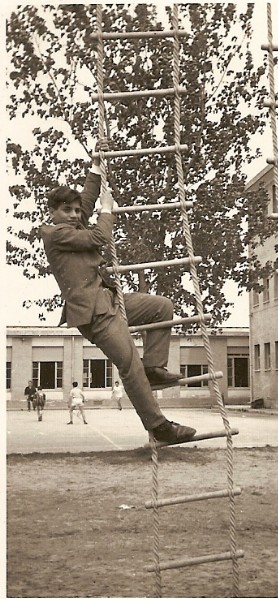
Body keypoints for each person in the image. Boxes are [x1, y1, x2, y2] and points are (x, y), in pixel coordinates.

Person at [39, 142, 196, 444]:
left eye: (75, 211)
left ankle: (154, 367)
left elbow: (87, 197)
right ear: (52, 212)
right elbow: (100, 236)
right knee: (128, 364)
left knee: (162, 307)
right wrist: (107, 210)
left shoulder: (73, 222)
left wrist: (97, 165)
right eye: (66, 210)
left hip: (110, 299)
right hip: (95, 315)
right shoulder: (56, 233)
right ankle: (159, 427)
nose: (74, 214)